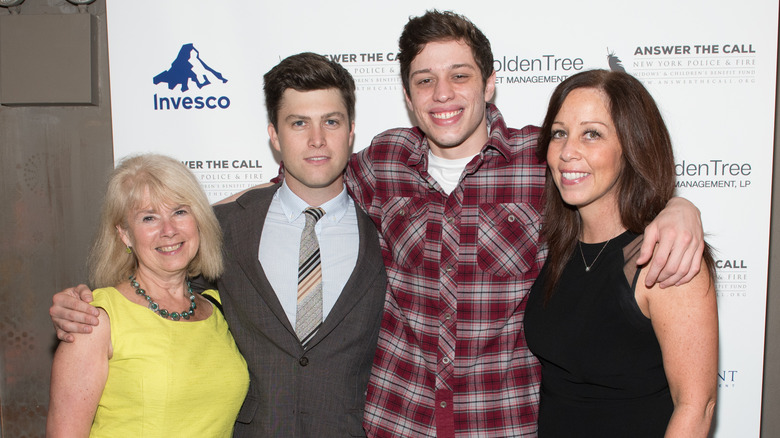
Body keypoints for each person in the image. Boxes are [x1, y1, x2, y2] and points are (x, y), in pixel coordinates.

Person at [346, 11, 707, 437]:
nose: (442, 94)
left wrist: (681, 208)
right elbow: (311, 175)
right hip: (398, 420)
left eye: (459, 75)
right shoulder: (383, 161)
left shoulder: (542, 161)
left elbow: (618, 178)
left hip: (503, 424)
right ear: (408, 95)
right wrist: (252, 197)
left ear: (490, 82)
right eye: (425, 80)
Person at [49, 53, 387, 437]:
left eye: (331, 121)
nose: (316, 139)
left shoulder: (388, 232)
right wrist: (77, 306)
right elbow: (151, 287)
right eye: (298, 123)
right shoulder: (221, 228)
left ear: (351, 131)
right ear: (274, 135)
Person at [524, 69, 718, 437]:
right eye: (559, 133)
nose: (568, 152)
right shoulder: (559, 247)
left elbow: (697, 406)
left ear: (632, 146)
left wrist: (682, 206)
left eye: (592, 134)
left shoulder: (664, 257)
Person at [46, 154, 249, 437]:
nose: (168, 231)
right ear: (125, 235)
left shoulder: (218, 309)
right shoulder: (94, 319)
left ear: (199, 220)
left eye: (180, 212)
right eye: (149, 218)